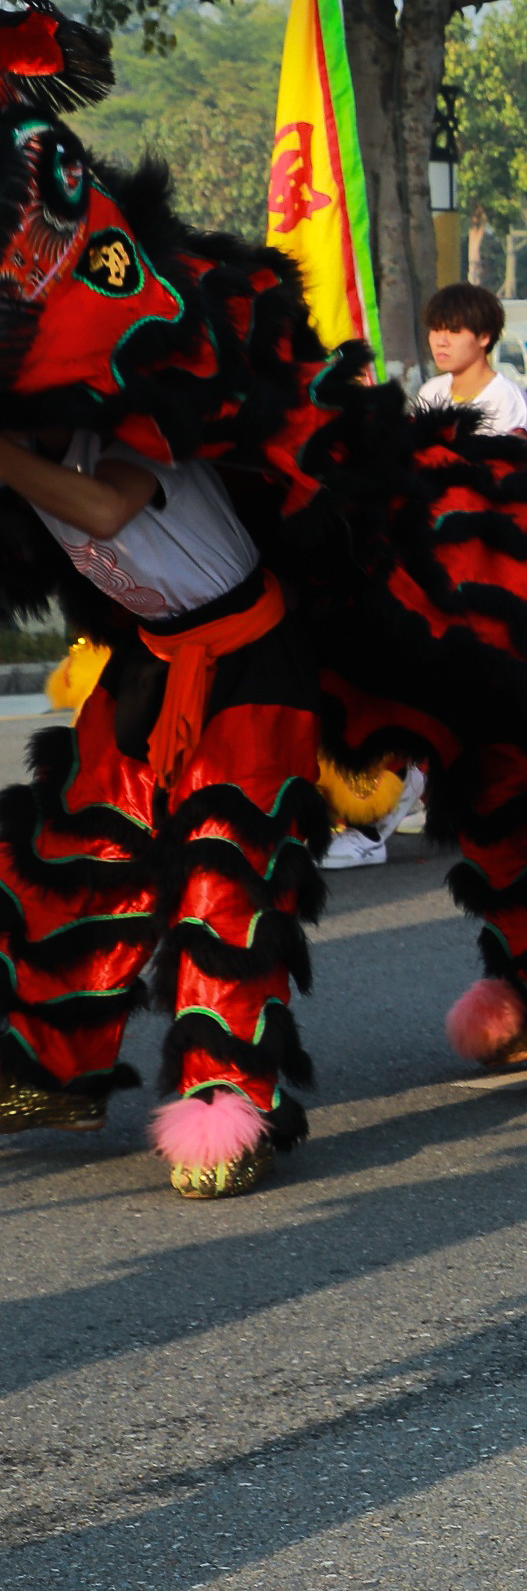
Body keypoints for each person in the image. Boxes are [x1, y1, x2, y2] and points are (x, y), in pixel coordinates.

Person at [0, 420, 321, 1196]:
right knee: (76, 852)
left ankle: (232, 1104)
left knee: (223, 882)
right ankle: (55, 1070)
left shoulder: (138, 416)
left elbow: (107, 509)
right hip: (151, 656)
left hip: (246, 659)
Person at [413, 284, 527, 439]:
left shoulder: (506, 399)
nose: (441, 341)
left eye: (454, 331)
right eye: (436, 330)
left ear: (484, 337)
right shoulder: (430, 392)